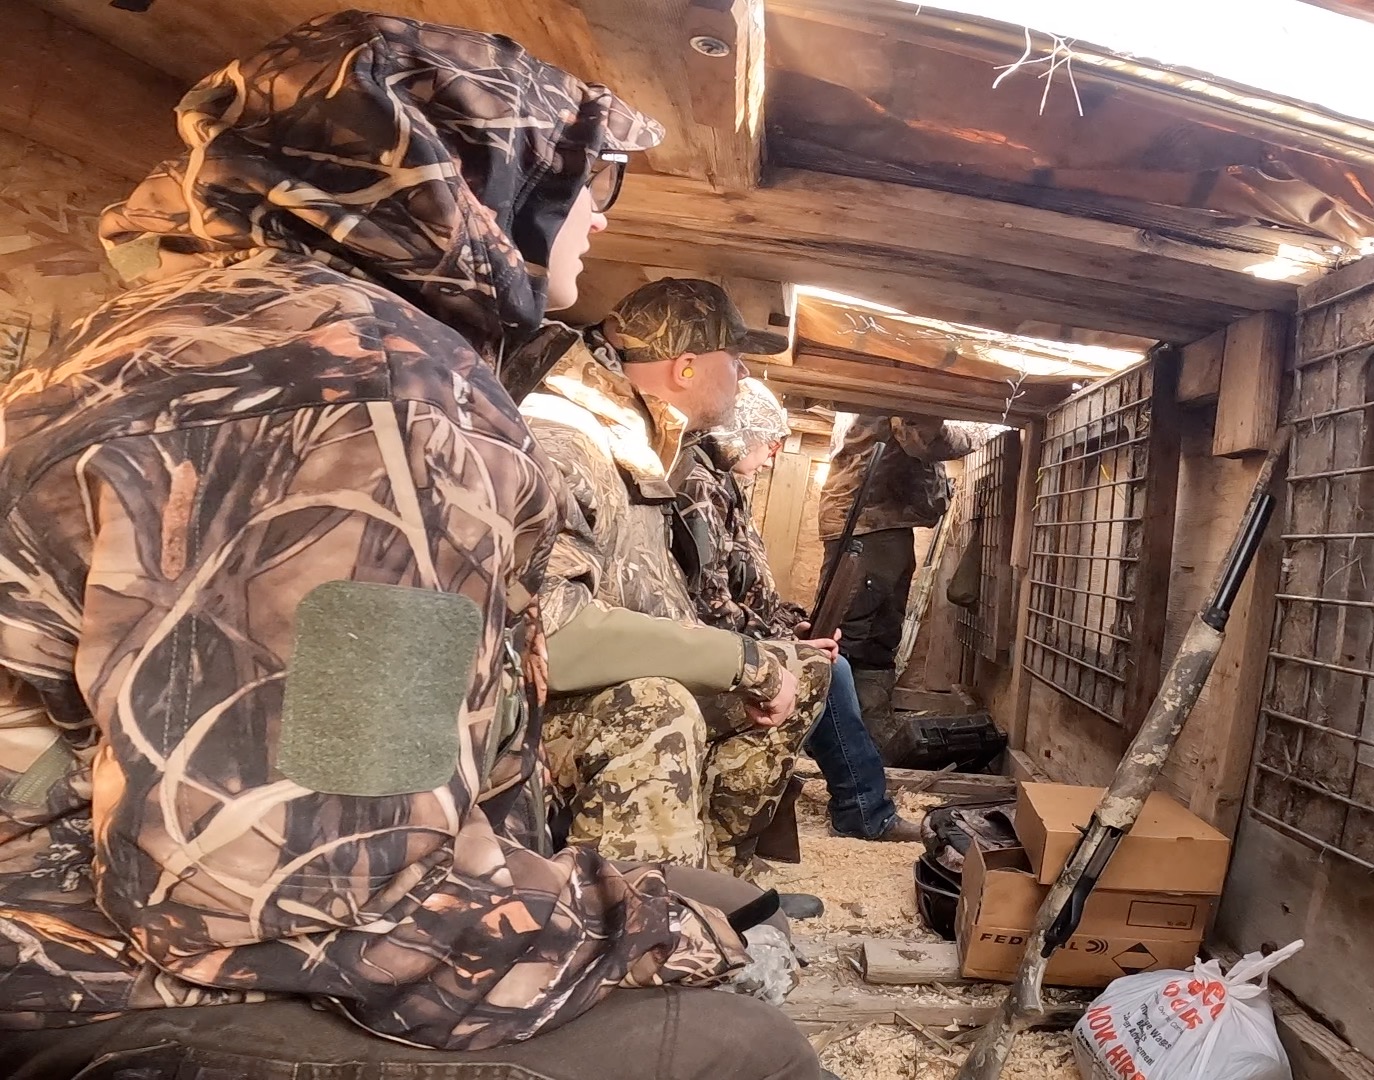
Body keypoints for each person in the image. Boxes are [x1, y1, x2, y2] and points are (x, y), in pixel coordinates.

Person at [0, 13, 815, 1079]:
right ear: (463, 178)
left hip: (113, 888)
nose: (603, 223)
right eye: (587, 182)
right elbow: (303, 885)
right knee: (738, 1046)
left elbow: (333, 768)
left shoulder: (208, 324)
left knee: (720, 904)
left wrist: (639, 912)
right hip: (83, 964)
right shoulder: (367, 389)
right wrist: (652, 941)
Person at [523, 279, 834, 877]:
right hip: (537, 712)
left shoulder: (642, 443)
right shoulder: (566, 438)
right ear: (687, 367)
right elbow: (548, 636)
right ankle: (644, 926)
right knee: (655, 706)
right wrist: (743, 661)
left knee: (803, 670)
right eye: (735, 362)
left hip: (607, 677)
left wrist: (765, 655)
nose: (742, 377)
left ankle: (714, 881)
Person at [677, 379, 919, 843]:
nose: (773, 453)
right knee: (830, 669)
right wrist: (785, 642)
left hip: (734, 635)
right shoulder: (698, 486)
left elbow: (749, 587)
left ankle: (863, 807)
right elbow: (707, 606)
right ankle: (864, 810)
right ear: (740, 430)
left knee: (832, 663)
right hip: (709, 645)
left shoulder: (725, 484)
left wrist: (792, 623)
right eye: (770, 440)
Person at [818, 415, 992, 731]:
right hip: (868, 522)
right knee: (848, 633)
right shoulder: (901, 386)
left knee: (878, 631)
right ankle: (831, 732)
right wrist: (989, 427)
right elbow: (924, 441)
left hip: (878, 521)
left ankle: (865, 728)